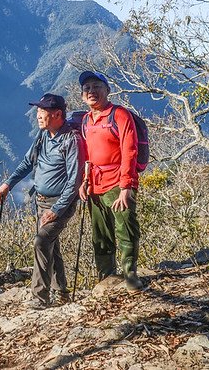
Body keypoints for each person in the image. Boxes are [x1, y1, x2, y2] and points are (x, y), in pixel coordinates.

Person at [0, 93, 84, 309]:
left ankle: (39, 298)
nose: (37, 115)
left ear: (57, 114)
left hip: (60, 204)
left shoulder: (71, 139)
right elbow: (28, 162)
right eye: (38, 111)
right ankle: (61, 291)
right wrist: (9, 183)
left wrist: (56, 210)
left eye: (42, 111)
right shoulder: (44, 135)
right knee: (50, 246)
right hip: (41, 201)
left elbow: (75, 180)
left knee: (41, 241)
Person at [78, 71, 144, 292]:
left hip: (118, 182)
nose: (91, 91)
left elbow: (130, 151)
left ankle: (130, 274)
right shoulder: (87, 120)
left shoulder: (119, 115)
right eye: (87, 88)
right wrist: (85, 181)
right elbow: (88, 154)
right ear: (82, 96)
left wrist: (126, 187)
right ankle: (105, 276)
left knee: (126, 227)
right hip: (95, 184)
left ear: (107, 90)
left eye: (97, 86)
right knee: (101, 232)